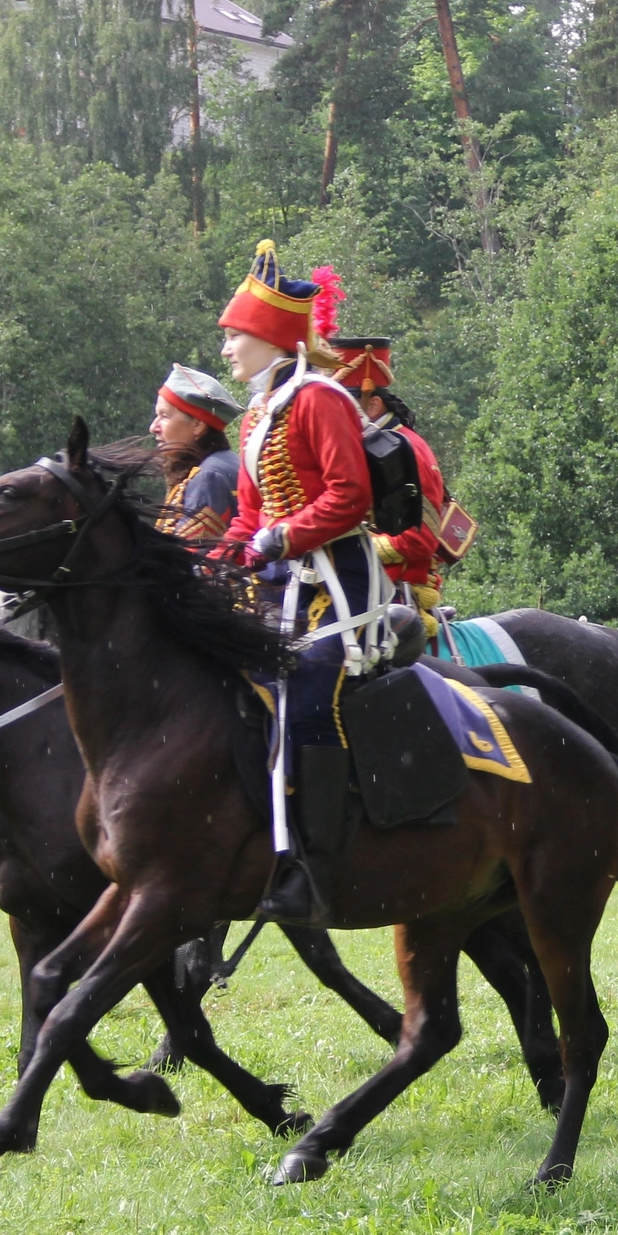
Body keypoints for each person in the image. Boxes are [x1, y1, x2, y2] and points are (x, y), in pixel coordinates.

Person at [217, 241, 384, 925]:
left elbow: (351, 495)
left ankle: (310, 865)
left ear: (269, 337)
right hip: (277, 584)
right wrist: (220, 556)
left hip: (337, 588)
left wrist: (281, 537)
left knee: (309, 689)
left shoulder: (322, 399)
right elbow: (249, 514)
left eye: (234, 337)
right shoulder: (257, 413)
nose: (227, 349)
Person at [332, 337, 450, 611]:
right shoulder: (365, 445)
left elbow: (420, 540)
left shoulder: (406, 449)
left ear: (372, 404)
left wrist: (351, 549)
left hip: (398, 594)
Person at [152, 363, 244, 543]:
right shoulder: (218, 464)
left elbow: (192, 560)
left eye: (164, 416)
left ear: (197, 425)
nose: (153, 427)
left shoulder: (208, 476)